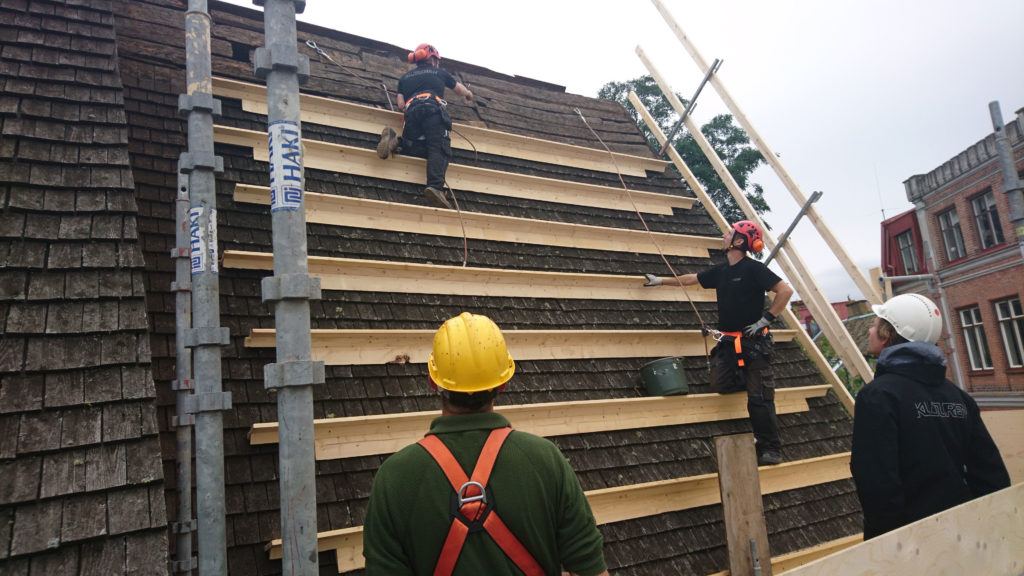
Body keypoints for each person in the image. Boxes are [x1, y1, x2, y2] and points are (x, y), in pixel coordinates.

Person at [363, 312, 610, 576]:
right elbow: (590, 569)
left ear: (433, 381)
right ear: (503, 383)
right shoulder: (546, 461)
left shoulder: (394, 478)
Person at [850, 293, 1010, 539]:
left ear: (886, 335)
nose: (870, 331)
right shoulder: (960, 397)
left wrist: (889, 548)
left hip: (912, 545)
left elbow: (878, 485)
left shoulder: (878, 396)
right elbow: (991, 476)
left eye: (874, 325)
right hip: (965, 536)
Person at [643, 220, 794, 466]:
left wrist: (765, 321)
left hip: (755, 344)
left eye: (729, 233)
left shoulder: (754, 269)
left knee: (759, 400)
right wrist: (660, 281)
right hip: (728, 343)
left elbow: (785, 291)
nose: (724, 236)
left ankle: (770, 447)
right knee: (719, 383)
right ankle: (748, 379)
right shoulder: (722, 271)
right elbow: (691, 278)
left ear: (738, 241)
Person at [377, 43, 474, 211]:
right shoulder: (440, 73)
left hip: (411, 113)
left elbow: (400, 105)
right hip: (433, 111)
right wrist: (468, 94)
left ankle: (397, 141)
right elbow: (459, 89)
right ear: (433, 59)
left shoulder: (405, 78)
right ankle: (436, 187)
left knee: (415, 148)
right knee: (439, 148)